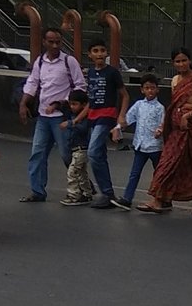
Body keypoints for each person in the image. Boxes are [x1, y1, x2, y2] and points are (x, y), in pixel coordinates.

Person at [137, 48, 192, 215]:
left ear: (190, 61)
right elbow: (174, 105)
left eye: (184, 60)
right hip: (177, 131)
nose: (181, 64)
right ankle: (159, 199)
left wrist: (187, 116)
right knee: (167, 163)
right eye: (177, 61)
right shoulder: (175, 80)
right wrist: (165, 125)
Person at [18, 28, 87, 203]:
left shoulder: (68, 61)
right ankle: (37, 190)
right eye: (51, 42)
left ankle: (82, 187)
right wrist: (24, 103)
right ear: (44, 42)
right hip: (43, 116)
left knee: (67, 154)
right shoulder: (40, 61)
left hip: (61, 116)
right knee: (38, 154)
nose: (55, 45)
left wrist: (61, 103)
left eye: (58, 42)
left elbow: (80, 86)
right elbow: (32, 83)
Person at [84, 38, 131, 210]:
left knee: (93, 152)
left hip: (107, 115)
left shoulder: (112, 72)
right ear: (90, 55)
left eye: (102, 51)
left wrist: (121, 116)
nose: (99, 54)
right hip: (93, 116)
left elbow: (124, 95)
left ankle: (106, 191)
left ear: (106, 53)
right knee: (99, 154)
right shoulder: (90, 73)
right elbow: (90, 97)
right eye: (95, 51)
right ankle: (108, 193)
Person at [116, 73, 165, 207]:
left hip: (155, 147)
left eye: (152, 88)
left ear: (157, 89)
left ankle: (162, 199)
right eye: (147, 88)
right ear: (142, 90)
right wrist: (118, 127)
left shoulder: (160, 108)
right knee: (134, 174)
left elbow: (163, 123)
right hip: (140, 146)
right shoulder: (139, 105)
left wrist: (160, 130)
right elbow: (128, 119)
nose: (150, 91)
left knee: (159, 174)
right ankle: (127, 198)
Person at [58, 89, 93, 206]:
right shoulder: (73, 115)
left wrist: (71, 124)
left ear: (83, 105)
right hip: (76, 148)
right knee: (81, 173)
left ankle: (74, 195)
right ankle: (87, 193)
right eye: (71, 104)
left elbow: (83, 129)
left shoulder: (84, 118)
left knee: (72, 172)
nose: (72, 107)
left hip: (81, 148)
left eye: (75, 104)